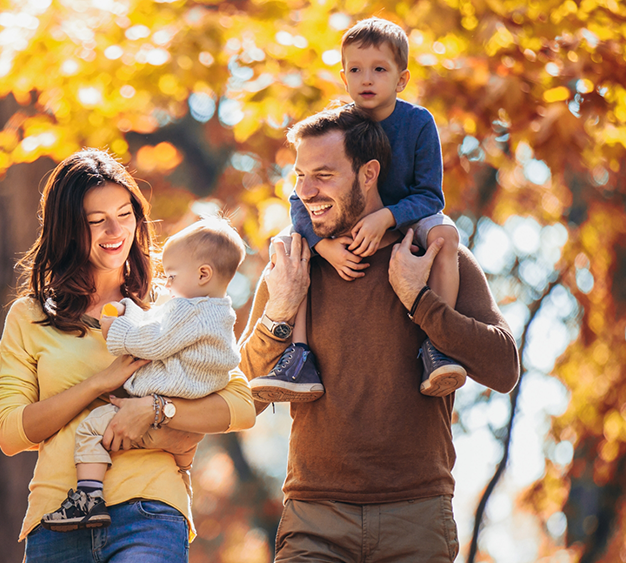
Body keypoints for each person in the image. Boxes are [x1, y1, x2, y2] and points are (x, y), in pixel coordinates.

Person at [241, 104, 519, 561]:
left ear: (369, 173)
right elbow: (239, 395)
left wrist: (419, 300)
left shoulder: (432, 256)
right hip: (314, 519)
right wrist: (280, 312)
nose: (306, 192)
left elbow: (504, 368)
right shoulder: (292, 265)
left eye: (324, 175)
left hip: (417, 518)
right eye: (299, 177)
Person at [0, 149, 256, 561]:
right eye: (96, 221)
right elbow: (11, 433)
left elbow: (240, 405)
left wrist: (155, 409)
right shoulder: (30, 316)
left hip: (148, 509)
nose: (115, 230)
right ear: (67, 229)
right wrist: (100, 382)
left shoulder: (170, 303)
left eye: (125, 214)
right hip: (56, 519)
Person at [255, 17, 466, 403]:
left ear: (401, 80)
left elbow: (430, 196)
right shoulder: (340, 125)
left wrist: (386, 217)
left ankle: (437, 345)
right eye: (356, 70)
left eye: (379, 70)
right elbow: (300, 197)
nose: (366, 79)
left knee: (445, 235)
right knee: (290, 246)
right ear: (344, 76)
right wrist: (321, 245)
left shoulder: (418, 123)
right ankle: (298, 357)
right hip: (340, 226)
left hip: (406, 221)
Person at [41, 218, 246, 531]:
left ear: (203, 274)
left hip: (165, 391)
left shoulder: (186, 310)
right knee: (182, 449)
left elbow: (154, 340)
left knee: (91, 430)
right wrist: (131, 311)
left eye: (173, 276)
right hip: (191, 400)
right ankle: (182, 476)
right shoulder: (218, 313)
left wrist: (117, 329)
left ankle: (88, 497)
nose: (167, 284)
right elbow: (158, 322)